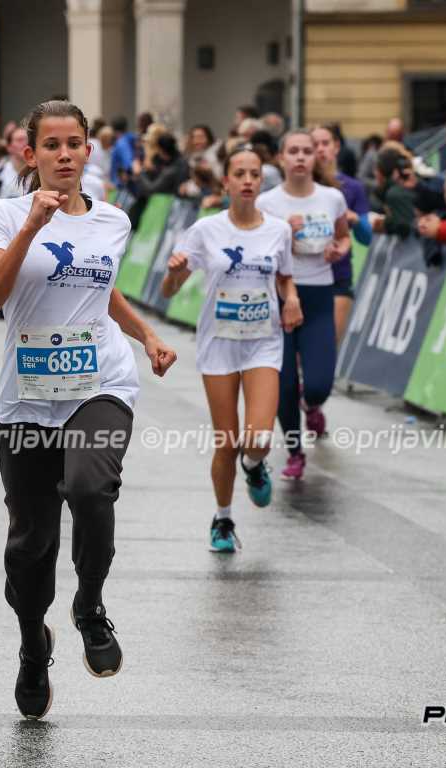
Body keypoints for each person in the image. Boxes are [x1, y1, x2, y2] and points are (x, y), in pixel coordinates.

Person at [0, 100, 177, 720]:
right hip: (28, 400)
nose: (64, 155)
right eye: (51, 145)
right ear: (29, 155)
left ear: (90, 151)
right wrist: (33, 226)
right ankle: (35, 645)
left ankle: (89, 604)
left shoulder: (113, 219)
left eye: (74, 144)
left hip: (100, 384)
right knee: (29, 547)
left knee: (91, 489)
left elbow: (99, 291)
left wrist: (148, 337)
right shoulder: (4, 215)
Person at [161, 146, 302, 552]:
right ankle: (222, 521)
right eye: (238, 173)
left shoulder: (278, 231)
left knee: (256, 437)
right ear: (225, 182)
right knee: (226, 440)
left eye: (254, 174)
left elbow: (286, 277)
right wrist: (173, 274)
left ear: (261, 181)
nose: (246, 180)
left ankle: (255, 467)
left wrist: (290, 297)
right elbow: (170, 289)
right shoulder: (206, 230)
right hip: (219, 343)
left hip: (262, 342)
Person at [257, 130, 350, 480]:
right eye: (292, 151)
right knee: (282, 385)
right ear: (281, 158)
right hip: (279, 296)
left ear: (316, 158)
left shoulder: (332, 198)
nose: (300, 157)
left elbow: (343, 236)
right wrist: (285, 236)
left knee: (318, 384)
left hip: (319, 294)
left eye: (306, 151)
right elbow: (257, 249)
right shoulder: (268, 203)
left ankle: (312, 405)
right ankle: (295, 451)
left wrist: (340, 248)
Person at [311, 125, 370, 343]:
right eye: (314, 145)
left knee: (329, 344)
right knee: (300, 353)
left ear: (336, 147)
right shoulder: (297, 186)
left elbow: (366, 237)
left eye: (325, 143)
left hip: (339, 275)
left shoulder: (353, 188)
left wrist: (354, 219)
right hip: (301, 277)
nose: (320, 149)